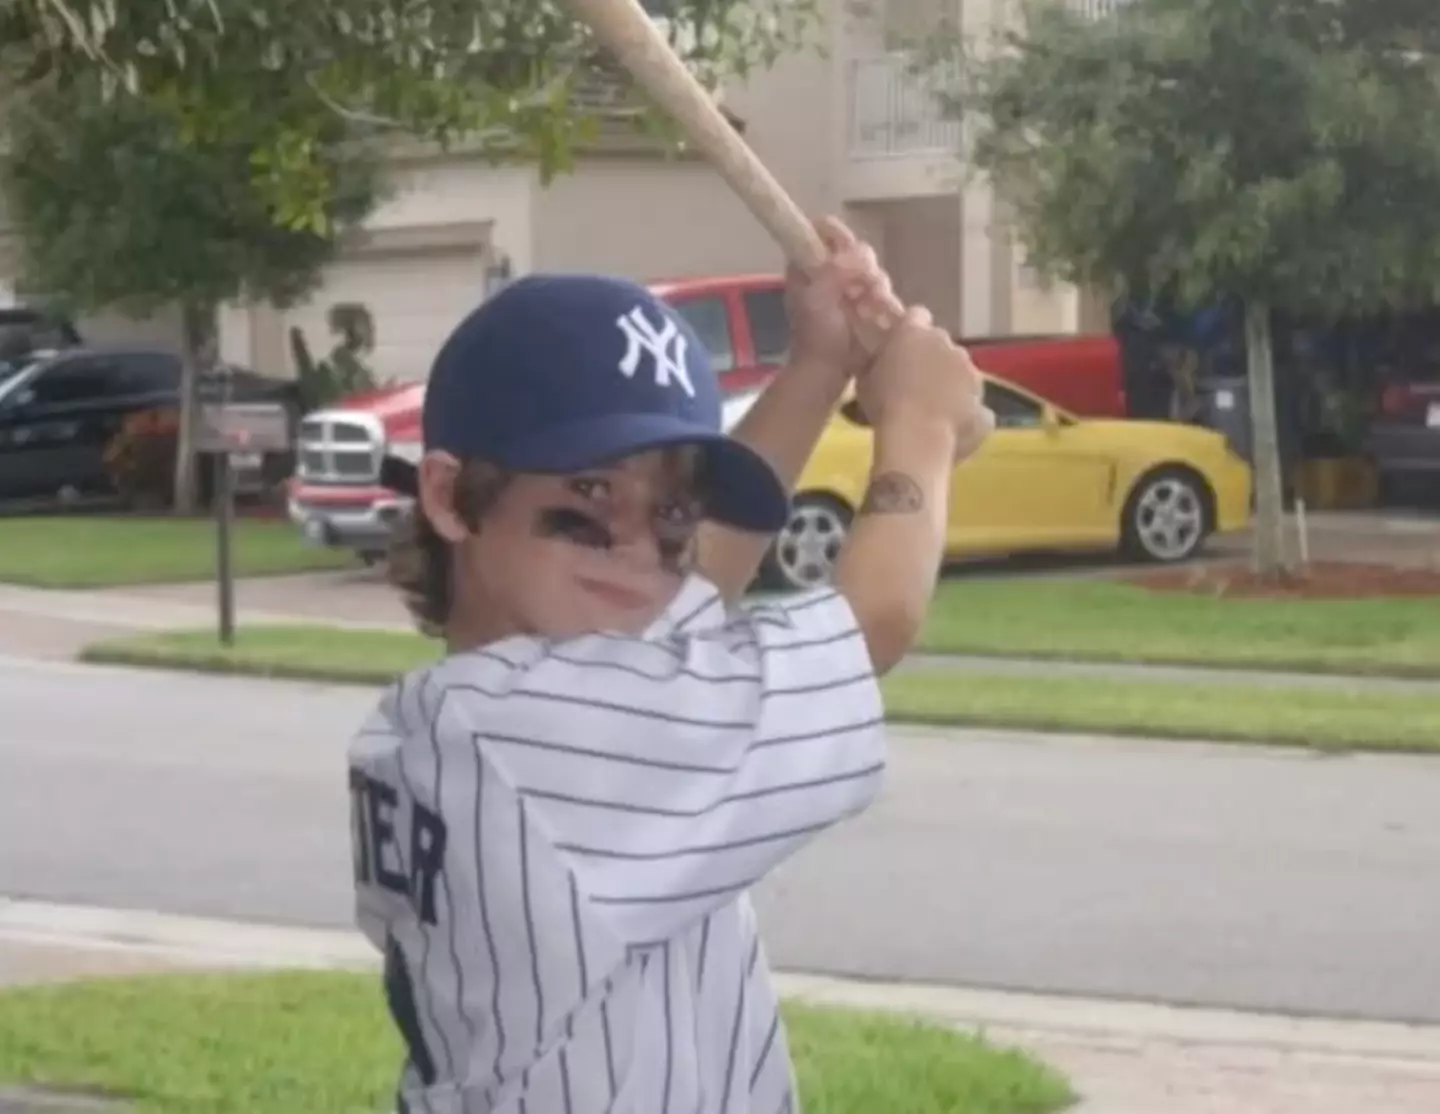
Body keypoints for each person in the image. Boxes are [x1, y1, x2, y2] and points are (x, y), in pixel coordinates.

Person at [347, 217, 995, 1114]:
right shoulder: (547, 737)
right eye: (588, 497)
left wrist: (819, 364)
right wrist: (921, 424)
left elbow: (683, 588)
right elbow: (873, 622)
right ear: (451, 495)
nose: (635, 551)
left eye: (672, 516)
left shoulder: (452, 717)